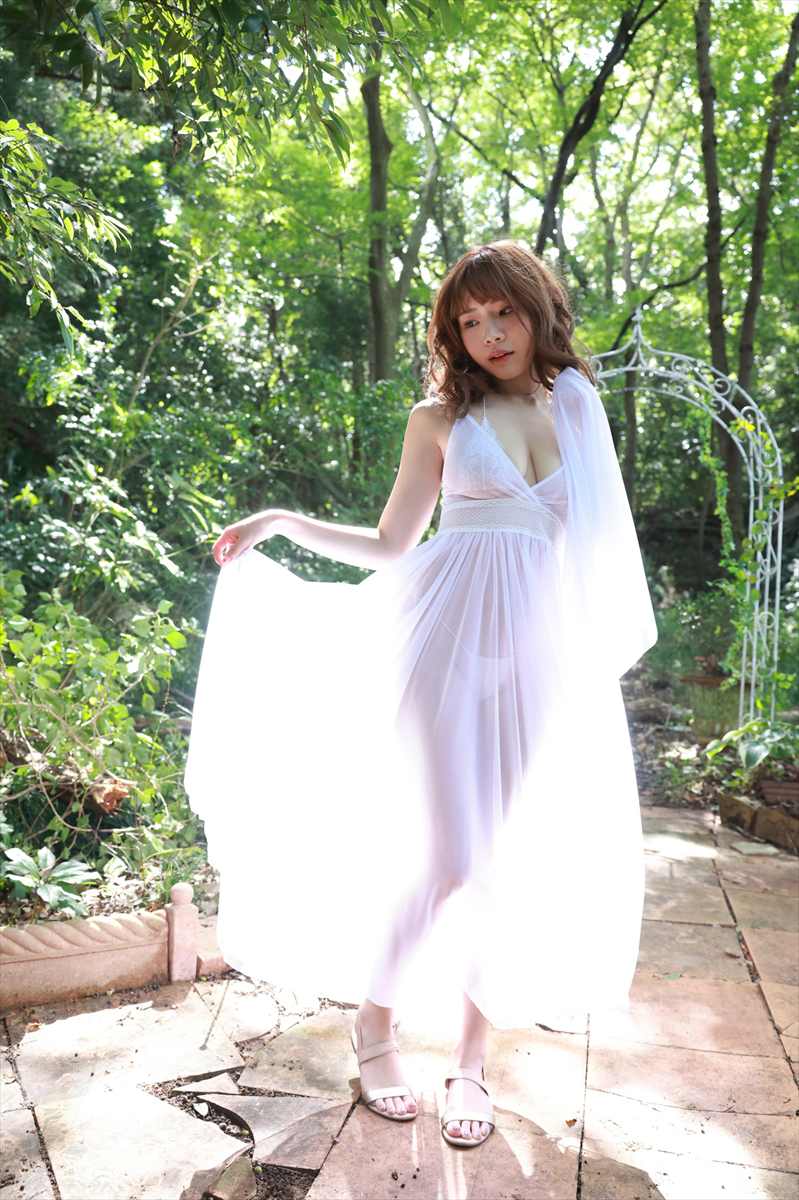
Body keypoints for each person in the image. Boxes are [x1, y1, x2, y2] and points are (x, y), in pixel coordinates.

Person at [184, 240, 658, 1149]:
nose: (489, 334)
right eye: (469, 321)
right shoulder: (439, 418)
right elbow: (390, 544)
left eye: (502, 313)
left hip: (536, 662)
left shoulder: (576, 405)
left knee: (502, 861)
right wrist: (280, 522)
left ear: (536, 309)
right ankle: (375, 1023)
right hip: (444, 648)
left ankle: (471, 1062)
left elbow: (597, 551)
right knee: (454, 858)